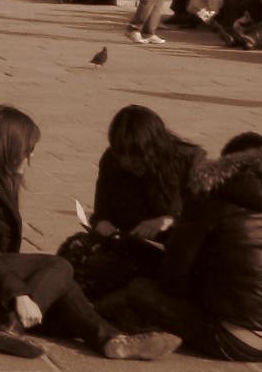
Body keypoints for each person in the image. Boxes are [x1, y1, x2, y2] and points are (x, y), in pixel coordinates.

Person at [0, 106, 179, 361]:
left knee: (61, 295)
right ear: (8, 148)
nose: (30, 157)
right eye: (27, 149)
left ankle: (113, 342)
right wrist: (17, 293)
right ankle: (8, 328)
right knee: (58, 266)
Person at [101, 134, 262, 362]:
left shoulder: (212, 202)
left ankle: (132, 326)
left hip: (234, 339)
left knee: (140, 289)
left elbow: (173, 275)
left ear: (225, 165)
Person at [60, 104, 205, 301]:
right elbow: (103, 210)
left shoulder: (189, 161)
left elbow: (205, 218)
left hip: (171, 251)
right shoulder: (112, 161)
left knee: (110, 274)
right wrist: (103, 224)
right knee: (71, 254)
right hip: (128, 243)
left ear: (155, 147)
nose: (128, 162)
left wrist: (169, 221)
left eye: (136, 155)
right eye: (123, 155)